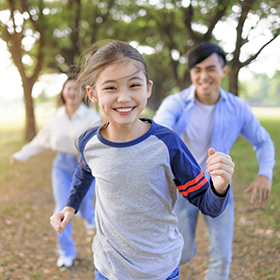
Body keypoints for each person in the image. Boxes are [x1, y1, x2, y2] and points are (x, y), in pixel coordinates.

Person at [49, 40, 235, 280]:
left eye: (133, 85)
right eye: (111, 88)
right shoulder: (89, 142)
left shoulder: (168, 144)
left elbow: (207, 203)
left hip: (160, 270)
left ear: (147, 88)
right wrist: (70, 207)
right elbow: (83, 173)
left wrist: (219, 187)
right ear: (93, 93)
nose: (124, 97)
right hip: (108, 269)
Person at [153, 42, 275, 280]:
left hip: (218, 189)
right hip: (183, 188)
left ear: (224, 71)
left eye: (210, 68)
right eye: (197, 70)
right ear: (191, 74)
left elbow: (263, 141)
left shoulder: (237, 107)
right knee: (182, 253)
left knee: (221, 257)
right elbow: (159, 131)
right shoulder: (176, 103)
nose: (203, 76)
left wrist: (265, 173)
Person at [10, 76, 101, 267]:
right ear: (63, 92)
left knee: (84, 206)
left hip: (84, 166)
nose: (71, 92)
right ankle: (67, 251)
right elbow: (40, 141)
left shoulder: (92, 118)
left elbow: (100, 143)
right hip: (61, 166)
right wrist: (20, 155)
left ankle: (89, 217)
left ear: (82, 93)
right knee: (61, 207)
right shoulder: (55, 118)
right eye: (68, 88)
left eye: (75, 89)